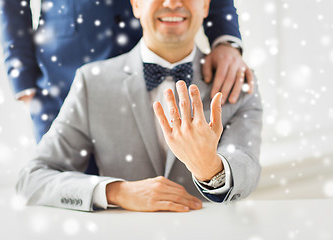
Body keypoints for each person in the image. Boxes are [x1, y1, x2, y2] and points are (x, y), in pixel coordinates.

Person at [16, 0, 263, 212]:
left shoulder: (236, 83)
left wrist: (210, 168)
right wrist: (117, 192)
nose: (172, 3)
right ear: (135, 4)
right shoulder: (92, 83)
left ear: (207, 4)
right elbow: (31, 180)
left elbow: (247, 169)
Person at [0, 0, 253, 142]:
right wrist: (24, 81)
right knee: (66, 193)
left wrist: (225, 40)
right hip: (61, 77)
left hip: (150, 67)